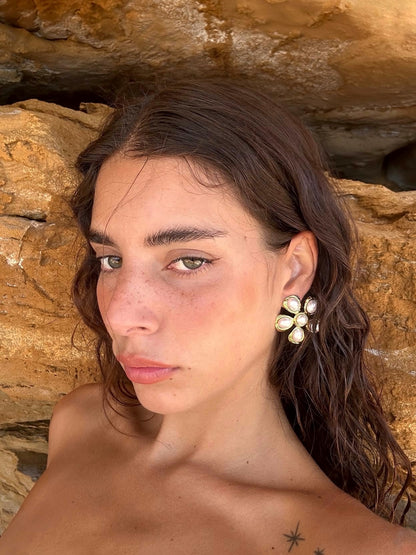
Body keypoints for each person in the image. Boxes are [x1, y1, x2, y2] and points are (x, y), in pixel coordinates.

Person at [1, 78, 415, 554]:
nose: (121, 314)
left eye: (189, 261)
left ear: (295, 269)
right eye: (111, 260)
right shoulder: (81, 425)